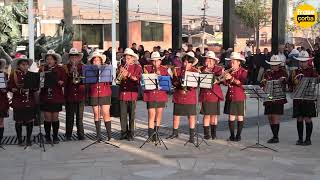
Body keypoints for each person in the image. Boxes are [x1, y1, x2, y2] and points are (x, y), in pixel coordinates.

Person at [167, 52, 199, 143]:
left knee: (191, 116)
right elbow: (173, 82)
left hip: (190, 95)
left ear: (191, 63)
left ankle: (192, 136)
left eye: (188, 62)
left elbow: (196, 85)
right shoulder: (177, 70)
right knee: (176, 115)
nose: (186, 64)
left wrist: (189, 84)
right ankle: (175, 132)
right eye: (184, 62)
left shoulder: (195, 71)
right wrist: (177, 82)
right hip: (179, 94)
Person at [8, 55, 36, 146]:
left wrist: (33, 88)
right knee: (18, 121)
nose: (25, 66)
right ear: (19, 65)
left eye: (26, 64)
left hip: (30, 101)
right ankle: (20, 140)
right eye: (23, 64)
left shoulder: (31, 74)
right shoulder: (14, 74)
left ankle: (28, 139)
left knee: (29, 121)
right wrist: (16, 90)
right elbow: (10, 86)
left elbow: (35, 87)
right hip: (18, 101)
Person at [39, 50, 67, 144]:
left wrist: (61, 82)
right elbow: (39, 83)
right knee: (47, 117)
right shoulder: (42, 68)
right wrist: (42, 76)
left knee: (55, 117)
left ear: (55, 60)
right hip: (45, 95)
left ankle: (55, 136)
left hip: (56, 96)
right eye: (47, 59)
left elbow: (65, 80)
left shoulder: (60, 69)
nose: (49, 61)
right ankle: (47, 136)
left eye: (51, 59)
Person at [292, 51, 318, 146]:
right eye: (300, 61)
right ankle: (300, 139)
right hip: (298, 98)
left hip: (308, 98)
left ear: (307, 61)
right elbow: (290, 84)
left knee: (307, 119)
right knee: (299, 118)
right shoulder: (295, 71)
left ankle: (308, 139)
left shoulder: (312, 71)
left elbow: (315, 82)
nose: (302, 63)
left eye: (304, 61)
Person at [260, 55, 288, 143]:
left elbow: (286, 81)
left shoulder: (283, 72)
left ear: (279, 65)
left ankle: (276, 137)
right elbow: (262, 83)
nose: (273, 66)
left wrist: (283, 80)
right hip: (268, 97)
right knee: (270, 117)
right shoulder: (267, 73)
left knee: (275, 116)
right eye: (272, 65)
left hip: (278, 97)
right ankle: (274, 135)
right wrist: (263, 84)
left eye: (275, 65)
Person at [87, 51, 113, 141]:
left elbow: (110, 80)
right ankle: (98, 135)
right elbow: (88, 81)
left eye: (98, 60)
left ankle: (109, 135)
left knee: (106, 113)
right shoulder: (89, 70)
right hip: (94, 93)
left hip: (105, 92)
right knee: (96, 114)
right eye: (94, 60)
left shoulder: (106, 68)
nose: (96, 62)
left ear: (101, 61)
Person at [143, 52, 169, 140]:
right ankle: (150, 135)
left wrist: (160, 76)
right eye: (153, 61)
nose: (155, 63)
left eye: (157, 61)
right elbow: (143, 81)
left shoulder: (164, 69)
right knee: (151, 115)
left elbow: (168, 81)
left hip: (161, 95)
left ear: (160, 61)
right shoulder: (147, 68)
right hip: (150, 95)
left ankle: (156, 134)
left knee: (159, 114)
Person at [118, 48, 142, 141]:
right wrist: (119, 73)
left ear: (133, 58)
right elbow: (118, 80)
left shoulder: (137, 67)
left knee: (132, 114)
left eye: (128, 58)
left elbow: (137, 79)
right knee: (122, 114)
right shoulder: (122, 65)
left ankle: (131, 133)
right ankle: (123, 132)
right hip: (122, 93)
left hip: (132, 93)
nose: (126, 59)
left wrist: (127, 74)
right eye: (125, 57)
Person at [199, 51, 224, 140]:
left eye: (210, 60)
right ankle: (206, 134)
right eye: (207, 59)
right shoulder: (201, 69)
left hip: (214, 94)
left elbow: (222, 80)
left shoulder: (218, 69)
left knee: (214, 115)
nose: (208, 61)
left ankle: (213, 134)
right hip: (205, 94)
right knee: (206, 115)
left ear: (214, 61)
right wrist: (203, 72)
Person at [224, 52, 248, 141]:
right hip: (230, 96)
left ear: (239, 62)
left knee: (240, 116)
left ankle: (238, 135)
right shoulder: (229, 71)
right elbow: (226, 83)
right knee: (231, 116)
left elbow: (241, 83)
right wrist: (224, 78)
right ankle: (232, 135)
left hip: (239, 96)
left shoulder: (243, 71)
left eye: (233, 62)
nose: (231, 63)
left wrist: (231, 78)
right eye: (231, 62)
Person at [63, 48, 85, 141]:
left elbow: (86, 80)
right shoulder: (65, 67)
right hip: (70, 94)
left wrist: (78, 74)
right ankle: (68, 135)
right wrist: (70, 73)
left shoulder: (83, 67)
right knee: (69, 116)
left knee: (80, 117)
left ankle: (81, 134)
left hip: (80, 94)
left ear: (79, 58)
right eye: (72, 57)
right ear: (69, 58)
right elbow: (63, 82)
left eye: (76, 57)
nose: (74, 59)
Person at [0, 59, 9, 146]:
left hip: (1, 101)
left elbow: (7, 88)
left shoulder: (4, 75)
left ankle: (0, 140)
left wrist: (4, 89)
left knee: (1, 121)